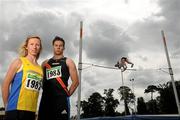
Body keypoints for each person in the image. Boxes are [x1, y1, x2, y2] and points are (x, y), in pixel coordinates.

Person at [1, 36, 43, 120]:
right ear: (26, 47)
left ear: (40, 48)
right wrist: (7, 106)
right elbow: (5, 85)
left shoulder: (40, 69)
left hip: (31, 110)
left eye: (37, 45)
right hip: (15, 109)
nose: (34, 47)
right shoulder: (19, 62)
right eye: (31, 44)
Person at [38, 36, 79, 120]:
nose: (58, 47)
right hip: (46, 100)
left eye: (60, 45)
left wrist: (66, 95)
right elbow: (41, 81)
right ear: (53, 46)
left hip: (61, 100)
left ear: (63, 47)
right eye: (56, 45)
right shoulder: (45, 63)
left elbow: (75, 82)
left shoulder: (68, 61)